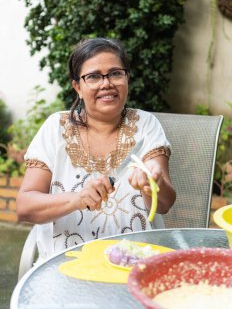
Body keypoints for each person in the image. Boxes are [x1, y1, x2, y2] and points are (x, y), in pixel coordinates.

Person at [16, 37, 176, 263]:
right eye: (93, 76)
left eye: (115, 73)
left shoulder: (145, 125)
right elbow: (25, 207)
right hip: (64, 265)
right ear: (77, 87)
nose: (106, 83)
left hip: (132, 264)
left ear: (127, 78)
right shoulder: (55, 129)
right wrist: (78, 198)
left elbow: (165, 204)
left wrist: (153, 185)